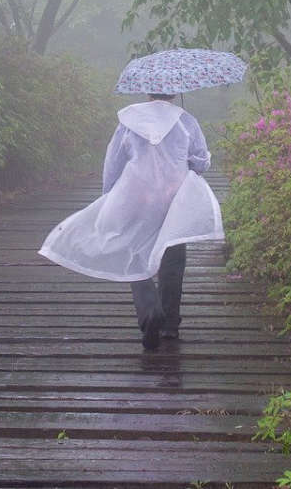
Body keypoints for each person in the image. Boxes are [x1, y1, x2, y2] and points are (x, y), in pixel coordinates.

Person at [38, 93, 223, 350]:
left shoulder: (129, 120)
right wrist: (189, 161)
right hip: (173, 197)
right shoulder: (186, 121)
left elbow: (114, 162)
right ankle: (169, 324)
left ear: (148, 92)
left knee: (133, 250)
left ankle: (149, 311)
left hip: (136, 194)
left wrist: (109, 195)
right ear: (173, 92)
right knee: (173, 254)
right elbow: (201, 162)